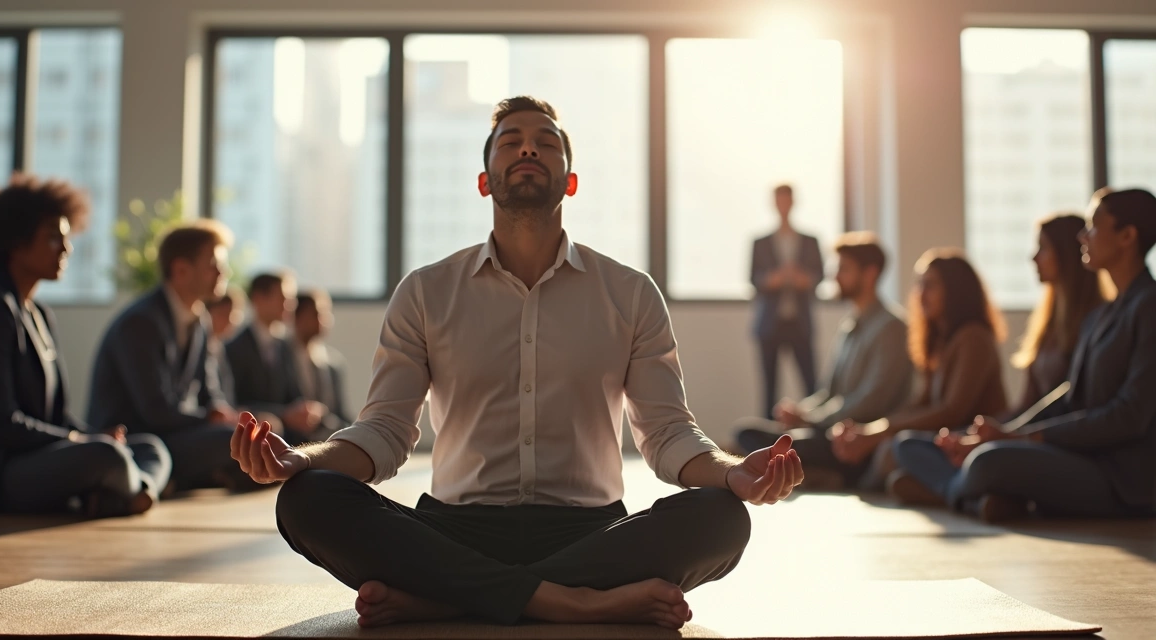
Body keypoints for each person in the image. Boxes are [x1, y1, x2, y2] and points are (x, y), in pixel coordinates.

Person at [230, 96, 804, 630]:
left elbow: (668, 434)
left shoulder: (630, 293)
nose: (528, 148)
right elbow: (383, 432)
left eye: (546, 142)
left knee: (723, 518)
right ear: (485, 181)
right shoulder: (426, 291)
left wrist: (733, 473)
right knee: (309, 498)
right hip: (455, 530)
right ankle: (571, 602)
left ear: (570, 181)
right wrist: (299, 460)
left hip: (589, 531)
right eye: (510, 142)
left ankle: (445, 597)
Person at [892, 188, 1156, 522]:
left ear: (1127, 237)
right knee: (910, 445)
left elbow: (1129, 415)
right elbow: (1069, 397)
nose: (1082, 237)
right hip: (1073, 455)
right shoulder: (1101, 316)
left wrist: (1025, 438)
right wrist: (1008, 432)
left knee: (988, 460)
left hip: (1118, 476)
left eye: (1091, 226)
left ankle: (955, 491)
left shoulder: (1149, 307)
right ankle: (978, 496)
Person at [0, 174, 170, 517]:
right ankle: (123, 493)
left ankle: (128, 493)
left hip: (34, 458)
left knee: (150, 447)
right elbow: (1, 424)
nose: (66, 248)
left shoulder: (40, 314)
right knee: (105, 456)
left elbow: (56, 417)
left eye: (66, 238)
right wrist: (81, 443)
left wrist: (91, 434)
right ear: (16, 243)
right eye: (52, 238)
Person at [734, 232, 913, 489]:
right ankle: (816, 474)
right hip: (826, 428)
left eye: (843, 269)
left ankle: (836, 476)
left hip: (854, 440)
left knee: (779, 446)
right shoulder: (849, 326)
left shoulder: (892, 327)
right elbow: (827, 392)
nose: (834, 276)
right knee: (747, 433)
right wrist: (801, 412)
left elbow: (873, 401)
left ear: (870, 274)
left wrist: (813, 419)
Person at [87, 221, 255, 492]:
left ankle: (188, 478)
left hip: (174, 431)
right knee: (231, 440)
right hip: (135, 437)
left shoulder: (199, 320)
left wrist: (223, 413)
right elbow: (154, 410)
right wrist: (211, 419)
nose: (225, 272)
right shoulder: (141, 322)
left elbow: (209, 392)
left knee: (255, 432)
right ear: (180, 270)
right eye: (214, 263)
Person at [822, 249, 1009, 491]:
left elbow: (951, 412)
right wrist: (870, 430)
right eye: (919, 284)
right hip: (944, 437)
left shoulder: (973, 338)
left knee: (892, 450)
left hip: (966, 442)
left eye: (930, 286)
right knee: (891, 455)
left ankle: (959, 490)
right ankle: (950, 490)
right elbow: (919, 404)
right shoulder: (940, 342)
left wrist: (878, 435)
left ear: (955, 291)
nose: (920, 294)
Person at [1003, 215, 1108, 419]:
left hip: (1062, 439)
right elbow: (1027, 405)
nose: (1033, 258)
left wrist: (1011, 434)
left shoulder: (1097, 320)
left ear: (1066, 253)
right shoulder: (1046, 322)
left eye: (1043, 248)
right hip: (1035, 434)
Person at [750, 184, 824, 418]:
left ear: (793, 202)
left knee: (812, 385)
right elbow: (753, 279)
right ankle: (766, 442)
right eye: (779, 200)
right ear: (774, 203)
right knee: (769, 389)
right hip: (769, 324)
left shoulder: (810, 240)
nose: (783, 205)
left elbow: (819, 276)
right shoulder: (760, 242)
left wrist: (805, 279)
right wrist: (774, 279)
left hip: (800, 322)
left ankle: (815, 435)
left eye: (787, 200)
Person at [226, 273, 325, 444]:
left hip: (290, 433)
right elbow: (233, 402)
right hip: (256, 434)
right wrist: (284, 415)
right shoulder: (234, 348)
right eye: (283, 298)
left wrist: (305, 410)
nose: (290, 305)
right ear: (259, 299)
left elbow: (293, 393)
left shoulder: (285, 347)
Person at [290, 290, 352, 437]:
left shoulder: (333, 364)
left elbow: (341, 413)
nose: (323, 321)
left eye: (326, 314)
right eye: (316, 314)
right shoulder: (280, 358)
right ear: (297, 318)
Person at [205, 285, 245, 406]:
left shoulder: (219, 347)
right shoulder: (202, 346)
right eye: (224, 314)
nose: (230, 320)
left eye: (233, 314)